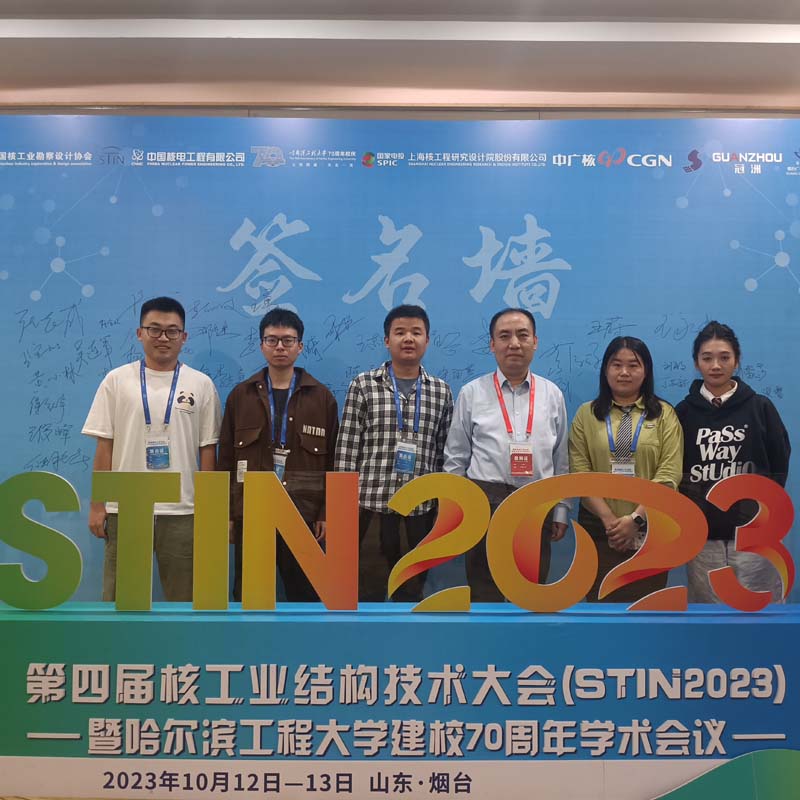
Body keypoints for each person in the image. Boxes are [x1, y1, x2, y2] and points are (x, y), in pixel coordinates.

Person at [82, 296, 222, 602]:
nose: (163, 337)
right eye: (154, 329)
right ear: (139, 333)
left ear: (184, 336)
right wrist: (97, 505)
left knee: (186, 601)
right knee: (120, 601)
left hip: (184, 510)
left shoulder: (201, 384)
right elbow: (104, 446)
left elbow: (208, 451)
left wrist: (209, 509)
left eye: (172, 331)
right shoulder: (116, 381)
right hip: (126, 507)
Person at [443, 308, 570, 601]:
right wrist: (457, 512)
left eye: (522, 335)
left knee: (530, 595)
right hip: (483, 505)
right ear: (492, 344)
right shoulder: (472, 393)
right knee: (483, 596)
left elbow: (561, 458)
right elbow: (456, 457)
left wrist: (562, 508)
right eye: (504, 336)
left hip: (536, 506)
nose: (514, 343)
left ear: (535, 342)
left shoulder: (552, 394)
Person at [218, 308, 339, 602]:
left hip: (304, 516)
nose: (280, 347)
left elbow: (333, 462)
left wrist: (326, 513)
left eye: (288, 340)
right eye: (272, 340)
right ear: (261, 345)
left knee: (307, 596)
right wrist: (227, 514)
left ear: (300, 346)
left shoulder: (321, 397)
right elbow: (226, 460)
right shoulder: (241, 396)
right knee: (249, 594)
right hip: (252, 512)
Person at [335, 304, 453, 602]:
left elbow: (444, 453)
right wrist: (341, 509)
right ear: (387, 340)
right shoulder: (363, 385)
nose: (408, 339)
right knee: (367, 592)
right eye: (400, 332)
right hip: (370, 507)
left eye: (416, 332)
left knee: (412, 593)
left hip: (420, 511)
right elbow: (347, 449)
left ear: (427, 340)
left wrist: (442, 506)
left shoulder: (441, 391)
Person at [676, 321, 790, 603]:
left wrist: (760, 512)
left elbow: (779, 462)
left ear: (737, 360)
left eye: (724, 357)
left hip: (755, 535)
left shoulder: (760, 407)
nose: (716, 365)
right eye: (707, 358)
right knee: (709, 619)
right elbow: (675, 468)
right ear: (696, 363)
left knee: (760, 614)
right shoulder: (683, 413)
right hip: (703, 538)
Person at [568, 336, 683, 603]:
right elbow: (580, 474)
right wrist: (611, 521)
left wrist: (635, 520)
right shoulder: (586, 414)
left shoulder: (665, 415)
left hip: (651, 530)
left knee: (647, 611)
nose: (624, 372)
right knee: (600, 610)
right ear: (605, 369)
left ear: (646, 371)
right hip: (599, 530)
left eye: (633, 365)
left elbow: (668, 476)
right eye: (616, 364)